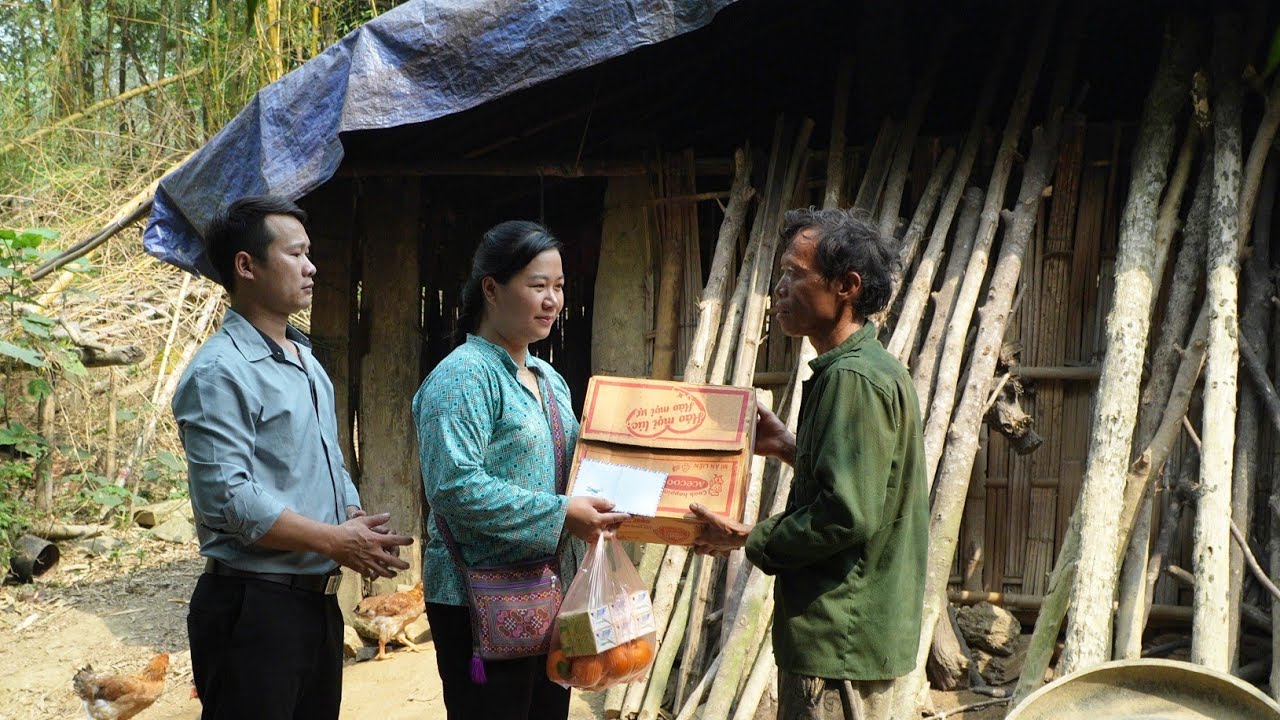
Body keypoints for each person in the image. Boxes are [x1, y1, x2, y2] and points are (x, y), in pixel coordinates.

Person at [173, 195, 413, 720]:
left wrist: (351, 517)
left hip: (316, 605)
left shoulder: (304, 359)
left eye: (310, 254)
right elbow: (227, 499)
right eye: (296, 254)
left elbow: (328, 462)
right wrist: (332, 539)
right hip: (253, 608)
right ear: (246, 265)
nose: (312, 268)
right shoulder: (220, 371)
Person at [690, 208, 928, 720]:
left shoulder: (852, 380)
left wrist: (748, 536)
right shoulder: (870, 369)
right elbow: (866, 483)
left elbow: (845, 513)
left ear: (846, 286)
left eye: (795, 274)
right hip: (850, 635)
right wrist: (788, 448)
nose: (778, 289)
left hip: (838, 638)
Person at [413, 221, 628, 720]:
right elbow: (454, 487)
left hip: (548, 592)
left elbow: (573, 469)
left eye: (559, 287)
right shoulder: (464, 375)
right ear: (491, 289)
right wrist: (562, 513)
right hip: (478, 597)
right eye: (537, 286)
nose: (552, 300)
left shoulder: (548, 378)